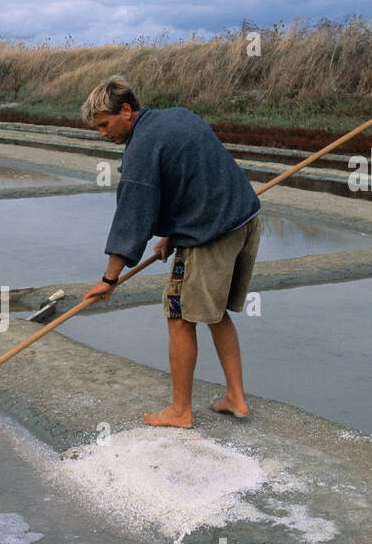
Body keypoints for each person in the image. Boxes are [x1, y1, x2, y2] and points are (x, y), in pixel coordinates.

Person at [81, 75, 262, 428]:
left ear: (127, 111)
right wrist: (174, 233)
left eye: (104, 125)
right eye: (97, 128)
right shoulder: (177, 116)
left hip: (212, 235)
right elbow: (192, 178)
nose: (103, 134)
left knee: (178, 316)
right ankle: (236, 399)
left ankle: (180, 411)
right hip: (243, 218)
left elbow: (131, 218)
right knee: (215, 311)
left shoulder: (140, 149)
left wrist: (109, 278)